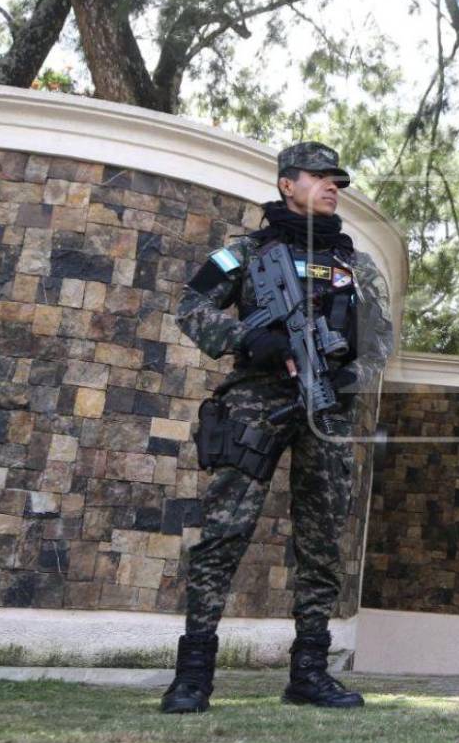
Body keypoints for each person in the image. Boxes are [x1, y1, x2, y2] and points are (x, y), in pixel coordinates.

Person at [160, 142, 393, 713]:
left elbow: (381, 339)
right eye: (319, 176)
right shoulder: (244, 252)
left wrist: (350, 377)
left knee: (320, 544)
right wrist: (249, 338)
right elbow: (193, 309)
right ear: (288, 183)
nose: (332, 185)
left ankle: (309, 672)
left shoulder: (354, 264)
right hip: (255, 405)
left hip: (326, 410)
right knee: (223, 534)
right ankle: (193, 676)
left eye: (337, 178)